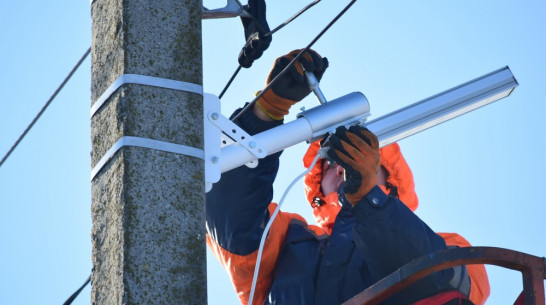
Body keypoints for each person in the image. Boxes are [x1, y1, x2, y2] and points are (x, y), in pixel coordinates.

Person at [206, 49, 490, 305]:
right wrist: (264, 114)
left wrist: (371, 203)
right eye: (330, 163)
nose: (341, 168)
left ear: (389, 180)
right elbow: (229, 220)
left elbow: (445, 290)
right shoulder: (287, 237)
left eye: (360, 157)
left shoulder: (451, 245)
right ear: (317, 183)